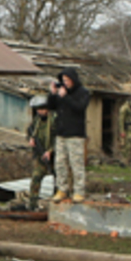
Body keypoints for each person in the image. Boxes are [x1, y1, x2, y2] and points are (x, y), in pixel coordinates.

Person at [47, 68, 91, 204]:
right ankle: (62, 189)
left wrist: (66, 97)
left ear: (73, 80)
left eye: (67, 80)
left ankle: (79, 191)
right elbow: (51, 106)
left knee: (76, 164)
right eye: (63, 80)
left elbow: (79, 107)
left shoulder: (83, 93)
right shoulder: (61, 92)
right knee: (60, 163)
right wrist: (53, 94)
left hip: (75, 134)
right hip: (61, 133)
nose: (65, 83)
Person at [25, 95, 55, 210]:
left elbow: (59, 139)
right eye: (37, 109)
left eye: (41, 109)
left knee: (58, 182)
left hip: (54, 156)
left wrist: (50, 151)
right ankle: (32, 204)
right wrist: (30, 139)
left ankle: (56, 206)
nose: (39, 112)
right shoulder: (37, 121)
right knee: (36, 178)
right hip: (40, 156)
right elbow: (30, 132)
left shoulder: (54, 120)